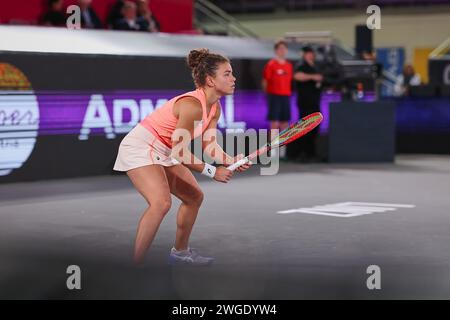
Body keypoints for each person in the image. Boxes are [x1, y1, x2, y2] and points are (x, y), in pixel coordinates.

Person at [113, 48, 251, 266]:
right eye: (227, 74)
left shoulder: (214, 108)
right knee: (161, 203)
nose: (233, 78)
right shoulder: (192, 106)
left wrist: (229, 159)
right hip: (142, 146)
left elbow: (209, 145)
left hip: (165, 149)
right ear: (210, 80)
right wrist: (213, 171)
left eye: (232, 73)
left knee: (194, 197)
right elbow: (180, 151)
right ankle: (135, 267)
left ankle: (180, 252)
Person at [289, 46, 323, 162]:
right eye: (308, 53)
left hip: (315, 101)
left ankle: (311, 153)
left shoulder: (316, 66)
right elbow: (297, 76)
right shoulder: (301, 65)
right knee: (305, 127)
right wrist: (313, 77)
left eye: (311, 53)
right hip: (305, 102)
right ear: (304, 54)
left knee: (315, 128)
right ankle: (301, 153)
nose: (310, 55)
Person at [262, 40, 293, 158]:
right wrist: (267, 96)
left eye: (284, 49)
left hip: (286, 96)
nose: (282, 51)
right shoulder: (271, 64)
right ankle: (273, 151)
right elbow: (265, 81)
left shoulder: (289, 66)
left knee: (285, 123)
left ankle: (283, 151)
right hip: (274, 96)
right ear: (276, 50)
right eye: (280, 48)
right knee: (274, 123)